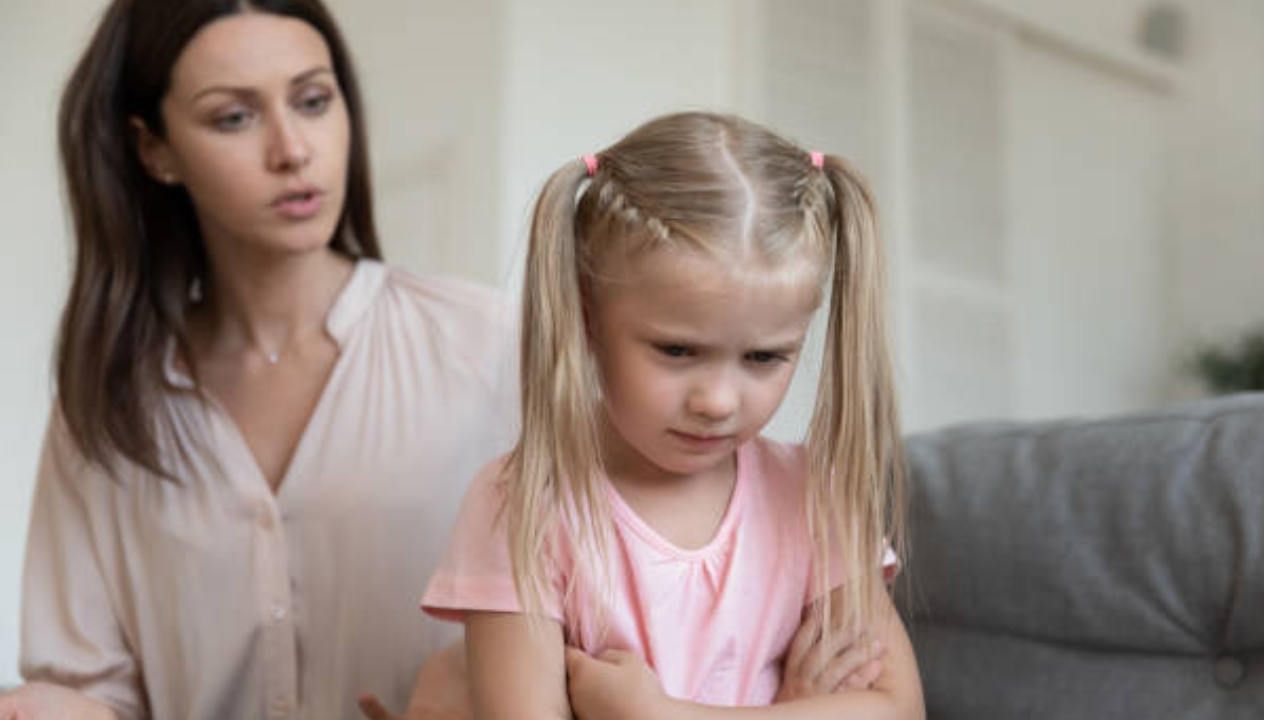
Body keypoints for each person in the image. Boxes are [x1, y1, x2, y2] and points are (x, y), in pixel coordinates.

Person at [0, 1, 517, 719]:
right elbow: (87, 693)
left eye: (313, 101)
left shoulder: (494, 345)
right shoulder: (106, 407)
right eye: (234, 117)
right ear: (154, 149)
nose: (292, 149)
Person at [421, 112, 925, 719]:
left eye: (764, 357)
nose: (718, 401)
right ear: (587, 316)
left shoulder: (813, 497)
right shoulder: (525, 504)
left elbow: (898, 710)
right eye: (677, 351)